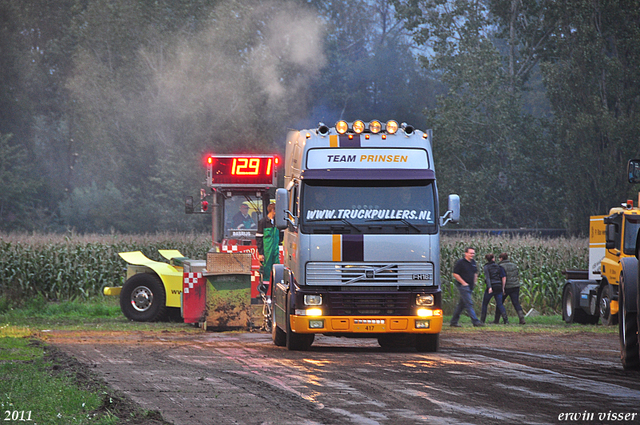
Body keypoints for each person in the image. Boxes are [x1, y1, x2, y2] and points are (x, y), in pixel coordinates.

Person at [450, 247, 484, 327]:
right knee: (469, 303)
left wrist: (475, 282)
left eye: (473, 253)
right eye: (470, 253)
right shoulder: (461, 263)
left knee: (461, 305)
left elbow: (475, 272)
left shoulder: (473, 262)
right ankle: (475, 322)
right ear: (466, 253)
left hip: (470, 286)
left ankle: (453, 322)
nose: (472, 255)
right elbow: (455, 274)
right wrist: (463, 283)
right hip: (463, 286)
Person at [497, 252, 526, 324]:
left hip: (507, 286)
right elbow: (516, 274)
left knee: (499, 303)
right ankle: (522, 319)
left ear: (501, 258)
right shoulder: (514, 265)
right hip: (516, 286)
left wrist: (502, 288)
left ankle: (496, 319)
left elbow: (502, 277)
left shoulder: (501, 266)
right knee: (516, 303)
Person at [256, 203, 282, 282]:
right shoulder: (263, 222)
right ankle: (264, 290)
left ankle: (276, 288)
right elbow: (259, 238)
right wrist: (260, 253)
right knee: (266, 270)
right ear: (273, 210)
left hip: (275, 251)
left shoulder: (278, 222)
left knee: (278, 269)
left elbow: (281, 235)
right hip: (266, 252)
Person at [480, 253, 508, 324]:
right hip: (498, 286)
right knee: (499, 304)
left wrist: (489, 287)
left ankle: (482, 320)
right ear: (493, 259)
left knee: (485, 304)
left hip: (492, 286)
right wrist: (502, 288)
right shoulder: (498, 266)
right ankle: (506, 320)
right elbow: (502, 277)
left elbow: (488, 277)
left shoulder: (486, 267)